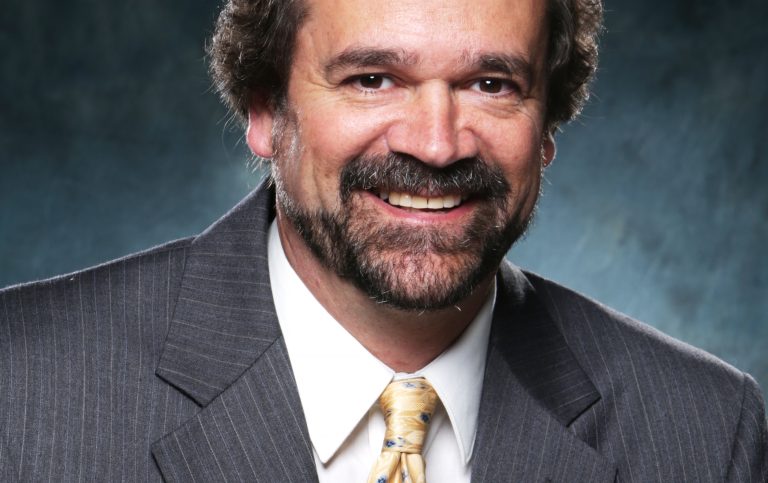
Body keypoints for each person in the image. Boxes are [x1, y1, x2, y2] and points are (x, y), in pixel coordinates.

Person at [1, 0, 766, 481]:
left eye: (491, 84)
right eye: (372, 78)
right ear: (265, 110)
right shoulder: (23, 390)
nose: (435, 144)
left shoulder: (706, 430)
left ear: (547, 127)